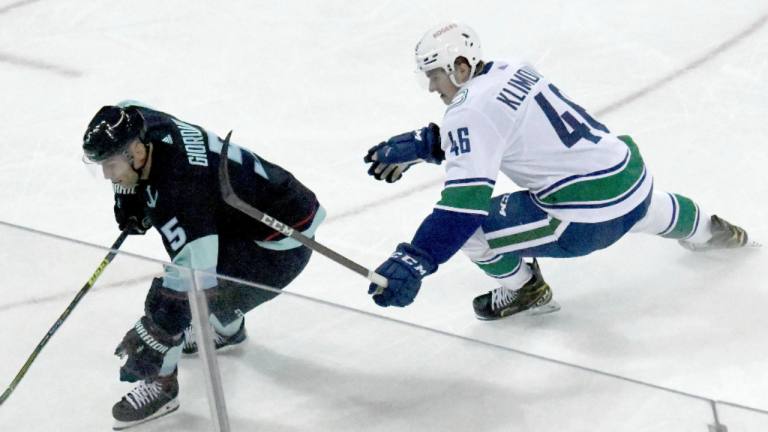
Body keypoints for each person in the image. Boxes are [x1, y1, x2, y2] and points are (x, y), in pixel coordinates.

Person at [363, 21, 758, 319]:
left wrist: (416, 258)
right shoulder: (513, 67)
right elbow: (512, 128)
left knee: (475, 233)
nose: (433, 88)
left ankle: (524, 289)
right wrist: (431, 144)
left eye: (435, 75)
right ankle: (713, 232)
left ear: (461, 66)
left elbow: (463, 207)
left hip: (586, 219)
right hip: (633, 178)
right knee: (642, 206)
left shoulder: (467, 113)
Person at [82, 102, 324, 429]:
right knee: (192, 284)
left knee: (172, 302)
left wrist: (156, 335)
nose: (108, 175)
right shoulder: (140, 121)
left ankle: (162, 386)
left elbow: (192, 285)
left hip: (279, 250)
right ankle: (224, 328)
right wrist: (128, 195)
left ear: (138, 153)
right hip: (260, 211)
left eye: (110, 165)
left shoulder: (181, 195)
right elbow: (124, 106)